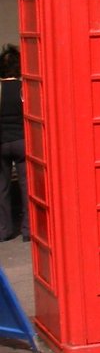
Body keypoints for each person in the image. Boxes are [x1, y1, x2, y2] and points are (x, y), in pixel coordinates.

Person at [0, 44, 28, 242]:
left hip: (1, 142)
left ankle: (4, 230)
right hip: (22, 141)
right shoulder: (23, 89)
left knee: (2, 187)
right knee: (27, 187)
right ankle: (28, 229)